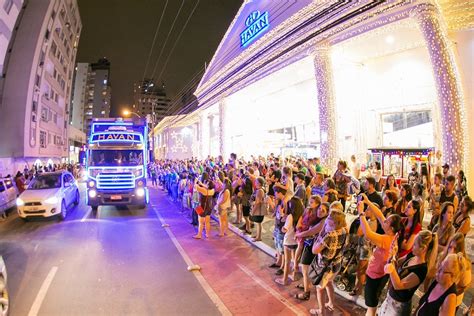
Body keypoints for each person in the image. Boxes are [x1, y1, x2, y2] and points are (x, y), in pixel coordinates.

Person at [357, 194, 404, 316]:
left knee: (371, 307)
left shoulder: (386, 239)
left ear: (391, 227)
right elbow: (379, 215)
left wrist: (361, 213)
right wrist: (368, 202)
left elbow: (367, 233)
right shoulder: (394, 235)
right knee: (372, 304)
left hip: (375, 276)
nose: (385, 220)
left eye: (387, 221)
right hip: (380, 274)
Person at [379, 231, 438, 316]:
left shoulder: (421, 270)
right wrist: (394, 253)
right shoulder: (412, 255)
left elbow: (399, 286)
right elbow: (396, 263)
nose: (412, 247)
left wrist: (391, 269)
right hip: (390, 298)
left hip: (398, 306)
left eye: (414, 245)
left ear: (423, 248)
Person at [309, 209, 347, 315]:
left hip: (326, 267)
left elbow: (314, 250)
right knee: (329, 283)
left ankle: (321, 311)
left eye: (329, 218)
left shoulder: (329, 235)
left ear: (335, 223)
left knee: (320, 289)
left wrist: (321, 233)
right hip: (337, 264)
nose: (327, 219)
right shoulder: (344, 230)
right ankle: (331, 303)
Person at [294, 200, 329, 301]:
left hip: (312, 247)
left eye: (323, 211)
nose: (319, 211)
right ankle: (306, 285)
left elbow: (310, 231)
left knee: (304, 270)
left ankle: (306, 293)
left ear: (327, 213)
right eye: (319, 209)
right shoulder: (318, 218)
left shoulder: (323, 222)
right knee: (307, 269)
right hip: (311, 245)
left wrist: (298, 234)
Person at [275, 196, 304, 286]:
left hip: (288, 240)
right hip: (297, 241)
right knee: (295, 259)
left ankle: (284, 279)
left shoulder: (290, 216)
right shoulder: (301, 216)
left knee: (287, 261)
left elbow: (285, 229)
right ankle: (294, 275)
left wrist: (282, 223)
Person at [445, 233, 472, 310]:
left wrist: (449, 295)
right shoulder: (444, 257)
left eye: (455, 249)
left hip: (452, 302)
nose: (451, 251)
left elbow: (464, 286)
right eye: (450, 247)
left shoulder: (464, 265)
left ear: (460, 250)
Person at [269, 187, 288, 276]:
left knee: (282, 249)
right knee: (278, 247)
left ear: (280, 193)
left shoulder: (285, 202)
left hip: (281, 227)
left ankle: (283, 267)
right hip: (277, 226)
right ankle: (278, 262)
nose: (275, 194)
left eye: (276, 193)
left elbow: (285, 216)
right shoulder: (280, 201)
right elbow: (275, 213)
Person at [249, 177, 266, 241]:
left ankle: (259, 237)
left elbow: (257, 202)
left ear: (259, 183)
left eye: (256, 182)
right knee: (257, 223)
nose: (255, 183)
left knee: (258, 223)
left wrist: (253, 211)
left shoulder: (260, 190)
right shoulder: (259, 189)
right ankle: (257, 235)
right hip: (258, 208)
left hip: (258, 209)